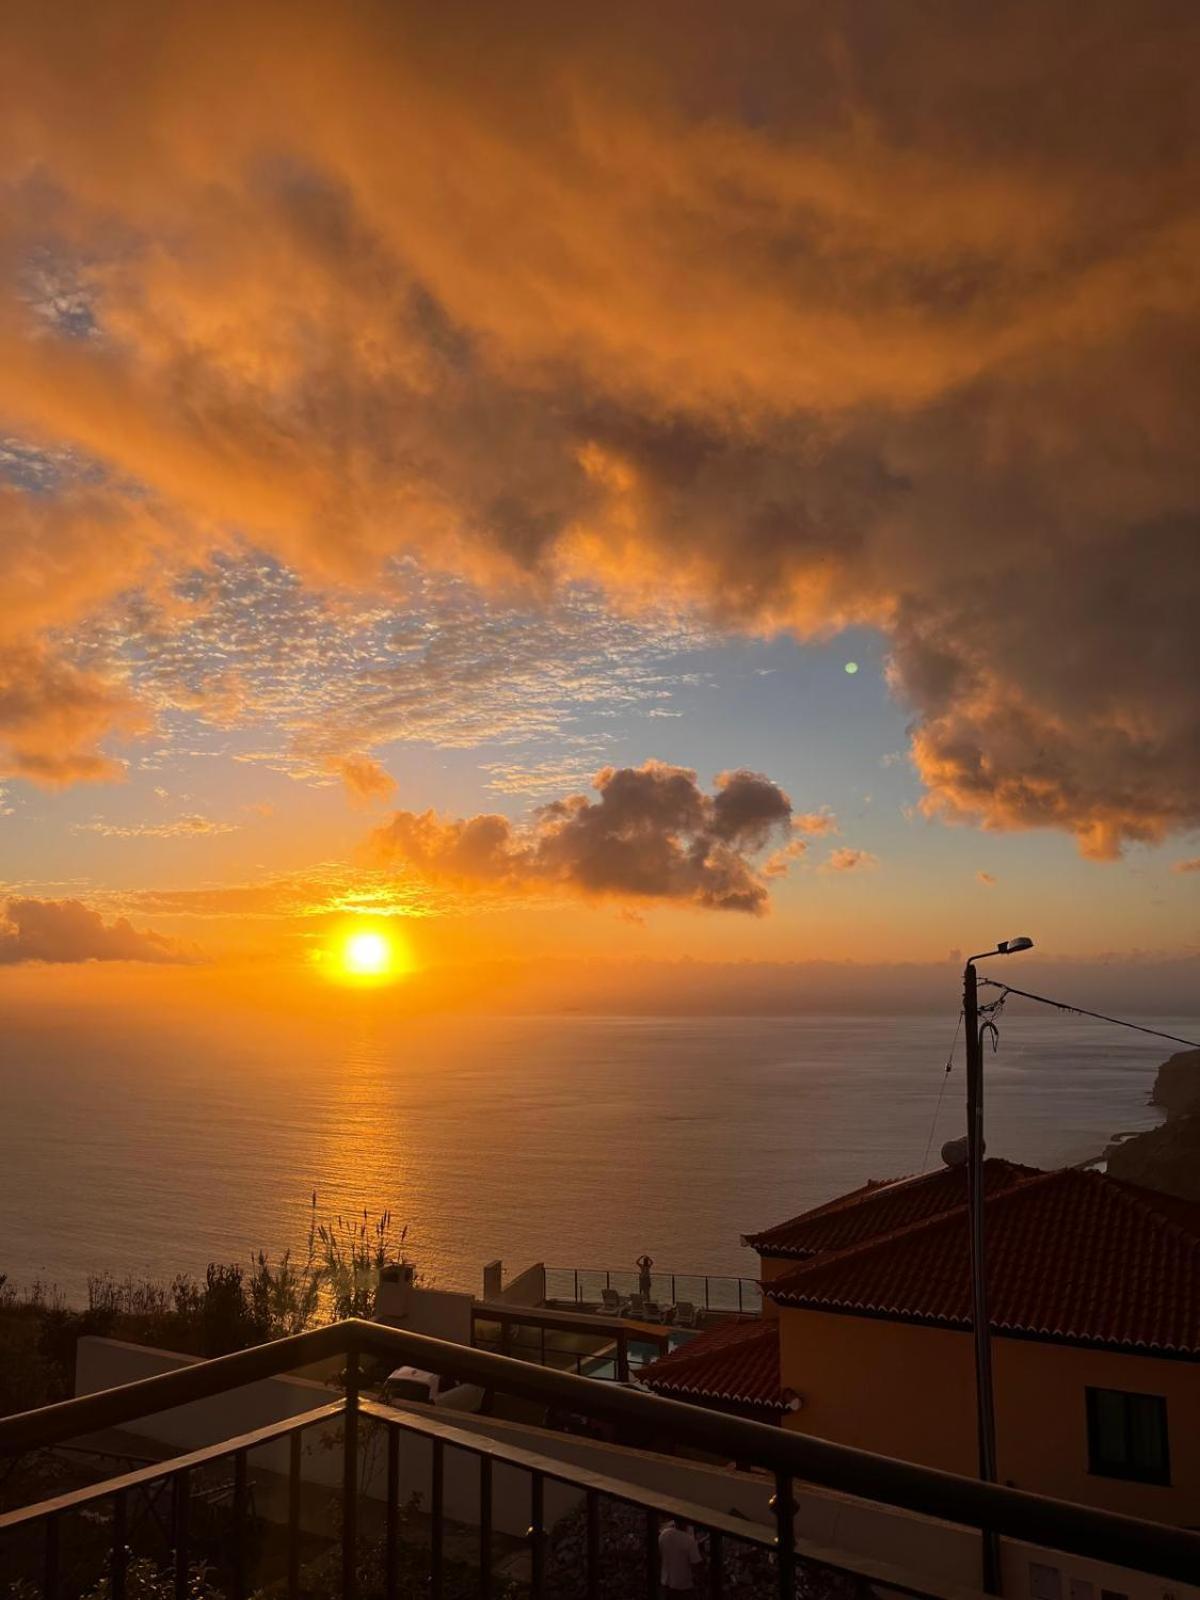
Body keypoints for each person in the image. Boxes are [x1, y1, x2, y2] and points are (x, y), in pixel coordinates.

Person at [659, 1518, 702, 1594]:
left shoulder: (664, 1534)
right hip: (683, 1585)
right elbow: (696, 1564)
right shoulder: (689, 1540)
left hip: (665, 1582)